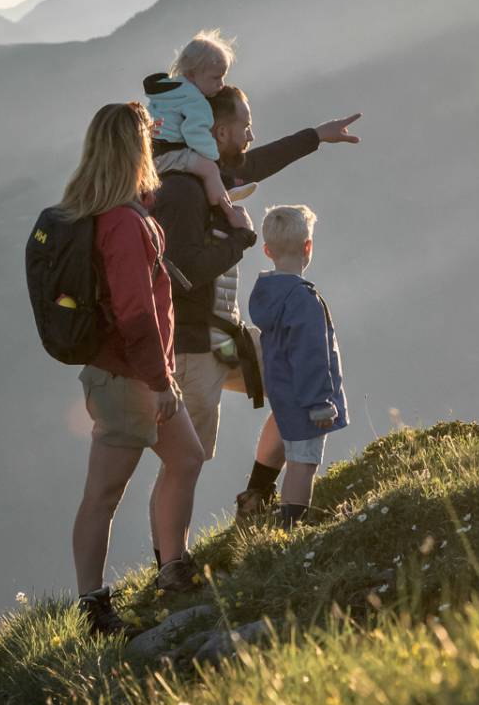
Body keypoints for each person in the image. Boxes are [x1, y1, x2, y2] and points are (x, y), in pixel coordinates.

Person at [147, 82, 361, 522]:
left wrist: (317, 136)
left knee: (288, 381)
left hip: (224, 338)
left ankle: (257, 497)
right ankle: (171, 564)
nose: (251, 133)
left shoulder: (212, 178)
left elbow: (259, 163)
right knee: (185, 462)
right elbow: (184, 274)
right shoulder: (184, 189)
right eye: (244, 125)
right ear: (219, 131)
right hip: (192, 346)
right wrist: (240, 237)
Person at [62, 102, 205, 636]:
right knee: (103, 494)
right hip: (129, 378)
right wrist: (160, 381)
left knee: (186, 457)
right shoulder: (122, 224)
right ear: (132, 150)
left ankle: (173, 570)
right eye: (145, 140)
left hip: (133, 373)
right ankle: (95, 608)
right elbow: (135, 312)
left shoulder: (114, 211)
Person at [248, 205, 349, 525]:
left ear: (267, 250)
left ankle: (260, 504)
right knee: (303, 463)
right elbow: (312, 355)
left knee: (294, 453)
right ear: (309, 247)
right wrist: (321, 403)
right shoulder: (303, 299)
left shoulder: (267, 293)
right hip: (307, 398)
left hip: (283, 389)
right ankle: (290, 527)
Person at [143, 31, 250, 222]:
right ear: (192, 74)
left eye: (223, 77)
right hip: (168, 153)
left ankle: (222, 186)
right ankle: (221, 207)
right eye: (215, 78)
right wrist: (213, 157)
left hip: (152, 151)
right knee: (208, 168)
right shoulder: (195, 101)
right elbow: (193, 133)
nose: (221, 84)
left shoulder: (171, 90)